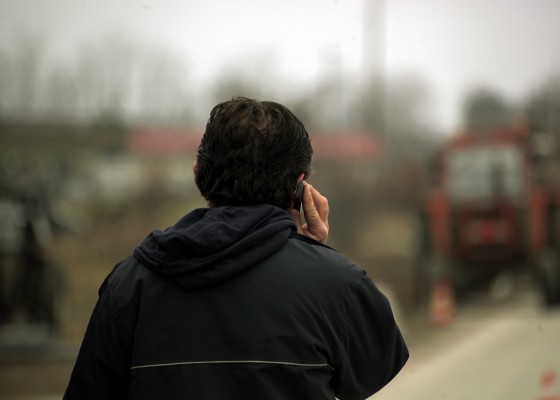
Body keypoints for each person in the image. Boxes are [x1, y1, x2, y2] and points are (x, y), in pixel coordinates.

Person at [64, 97, 408, 399]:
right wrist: (315, 254)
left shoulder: (127, 286)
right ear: (300, 186)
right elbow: (368, 376)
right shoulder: (338, 284)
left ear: (199, 176)